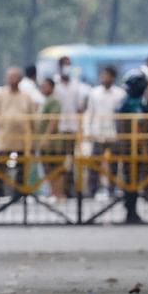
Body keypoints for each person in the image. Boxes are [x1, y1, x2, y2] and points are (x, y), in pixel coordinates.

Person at [0, 67, 38, 196]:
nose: (12, 80)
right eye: (10, 77)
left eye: (15, 77)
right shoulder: (0, 95)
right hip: (4, 137)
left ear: (20, 79)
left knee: (22, 167)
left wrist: (33, 139)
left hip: (22, 138)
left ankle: (19, 193)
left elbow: (32, 119)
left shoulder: (26, 97)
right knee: (1, 165)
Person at [84, 66, 127, 199]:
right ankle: (92, 189)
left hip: (114, 133)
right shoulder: (94, 93)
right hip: (98, 132)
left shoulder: (120, 94)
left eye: (107, 75)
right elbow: (90, 112)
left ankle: (112, 189)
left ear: (113, 77)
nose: (104, 78)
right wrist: (88, 130)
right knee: (95, 162)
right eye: (103, 75)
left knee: (113, 163)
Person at [118, 71, 148, 223]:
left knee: (130, 178)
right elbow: (139, 127)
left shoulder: (127, 101)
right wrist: (144, 148)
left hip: (125, 145)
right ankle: (131, 212)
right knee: (133, 179)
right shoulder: (135, 103)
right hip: (133, 147)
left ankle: (130, 210)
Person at [53, 56, 88, 194]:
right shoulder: (55, 85)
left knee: (72, 159)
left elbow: (80, 107)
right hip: (59, 128)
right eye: (64, 65)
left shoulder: (76, 85)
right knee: (58, 159)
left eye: (68, 65)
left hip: (73, 127)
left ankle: (72, 187)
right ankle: (59, 189)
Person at [37, 78, 67, 200]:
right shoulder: (45, 101)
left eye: (45, 86)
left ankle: (58, 194)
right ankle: (53, 193)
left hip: (53, 143)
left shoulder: (53, 101)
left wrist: (47, 136)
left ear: (51, 87)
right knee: (48, 168)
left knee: (56, 168)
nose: (42, 89)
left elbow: (54, 119)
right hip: (46, 142)